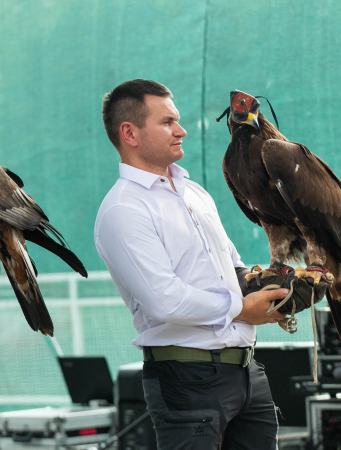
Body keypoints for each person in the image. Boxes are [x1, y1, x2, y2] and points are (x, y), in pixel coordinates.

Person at [94, 79, 289, 449]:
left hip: (248, 372)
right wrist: (243, 308)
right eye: (167, 122)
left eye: (177, 120)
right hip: (187, 380)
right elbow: (164, 300)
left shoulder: (195, 193)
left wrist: (276, 284)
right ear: (129, 133)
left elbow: (232, 268)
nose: (181, 130)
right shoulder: (124, 210)